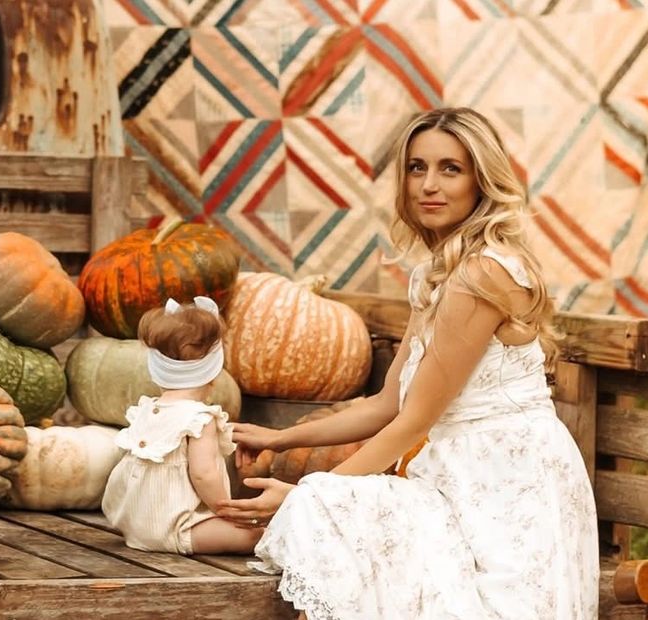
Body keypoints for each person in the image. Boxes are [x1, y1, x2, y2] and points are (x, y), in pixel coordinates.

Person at [217, 107, 598, 619]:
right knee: (343, 527)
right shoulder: (438, 276)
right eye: (417, 168)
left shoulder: (481, 276)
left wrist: (309, 493)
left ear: (482, 182)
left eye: (450, 169)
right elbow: (388, 403)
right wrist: (280, 439)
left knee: (329, 514)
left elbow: (415, 420)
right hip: (452, 475)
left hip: (507, 482)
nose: (428, 185)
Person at [102, 296, 262, 555]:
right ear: (213, 373)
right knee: (255, 535)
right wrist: (226, 509)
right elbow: (204, 474)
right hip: (177, 527)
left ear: (158, 371)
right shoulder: (200, 418)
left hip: (132, 523)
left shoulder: (147, 409)